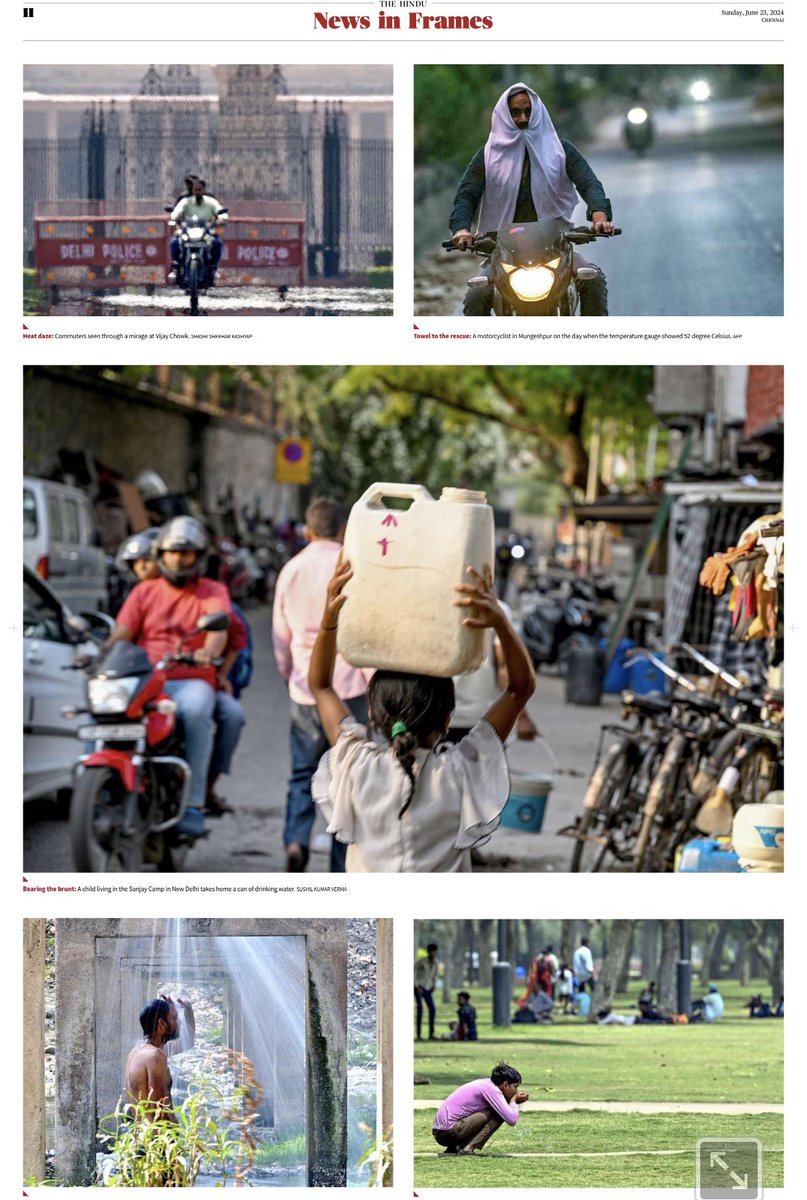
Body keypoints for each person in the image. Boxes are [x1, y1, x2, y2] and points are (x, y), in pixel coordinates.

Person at [308, 558, 536, 872]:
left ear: (373, 712)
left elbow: (320, 686)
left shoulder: (355, 764)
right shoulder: (461, 771)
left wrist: (329, 619)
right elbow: (519, 689)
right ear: (447, 721)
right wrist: (501, 623)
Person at [105, 516, 242, 838]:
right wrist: (102, 653)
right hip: (144, 678)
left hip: (191, 679)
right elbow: (123, 632)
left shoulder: (212, 590)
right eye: (172, 552)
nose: (179, 559)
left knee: (198, 710)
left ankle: (194, 802)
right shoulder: (144, 592)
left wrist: (208, 651)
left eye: (187, 553)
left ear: (198, 555)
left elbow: (219, 633)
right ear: (160, 554)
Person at [449, 83, 614, 316]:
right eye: (515, 112)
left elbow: (589, 183)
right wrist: (461, 230)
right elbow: (466, 194)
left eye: (528, 111)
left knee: (592, 279)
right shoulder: (487, 156)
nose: (523, 118)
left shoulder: (561, 150)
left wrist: (600, 217)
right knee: (477, 294)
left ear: (538, 112)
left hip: (555, 244)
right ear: (505, 115)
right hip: (504, 248)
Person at [272, 497, 369, 873]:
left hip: (304, 685)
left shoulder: (291, 570)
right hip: (349, 687)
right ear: (343, 529)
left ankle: (296, 841)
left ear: (308, 531)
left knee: (302, 771)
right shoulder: (354, 565)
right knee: (347, 776)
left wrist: (290, 674)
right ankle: (340, 861)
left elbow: (281, 635)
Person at [124, 993, 195, 1121]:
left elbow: (188, 1041)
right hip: (157, 1139)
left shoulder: (136, 1053)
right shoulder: (155, 1056)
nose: (178, 1022)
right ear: (162, 1024)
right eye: (174, 1018)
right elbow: (159, 1111)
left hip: (142, 1137)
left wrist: (188, 1009)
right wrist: (174, 1140)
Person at [432, 1062, 528, 1155]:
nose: (516, 1091)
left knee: (499, 1109)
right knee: (498, 1112)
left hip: (441, 1132)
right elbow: (511, 1120)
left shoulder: (487, 1084)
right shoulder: (492, 1090)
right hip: (447, 1132)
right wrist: (514, 1101)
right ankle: (468, 1148)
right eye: (515, 1087)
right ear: (505, 1085)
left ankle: (456, 1148)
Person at [168, 178, 228, 286]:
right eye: (195, 190)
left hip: (206, 231)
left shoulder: (211, 202)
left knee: (217, 242)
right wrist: (174, 217)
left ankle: (213, 268)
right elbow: (176, 212)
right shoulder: (186, 201)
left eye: (199, 190)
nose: (197, 192)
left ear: (203, 190)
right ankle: (176, 268)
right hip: (188, 230)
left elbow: (221, 212)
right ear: (193, 191)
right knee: (175, 242)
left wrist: (221, 218)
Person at [414, 943, 439, 1041]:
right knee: (420, 1009)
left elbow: (435, 975)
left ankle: (431, 1034)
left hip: (428, 988)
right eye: (431, 951)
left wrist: (434, 985)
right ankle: (419, 1035)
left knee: (432, 1009)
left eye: (434, 951)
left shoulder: (436, 963)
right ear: (428, 951)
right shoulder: (421, 961)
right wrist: (415, 985)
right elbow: (414, 972)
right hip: (419, 987)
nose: (433, 953)